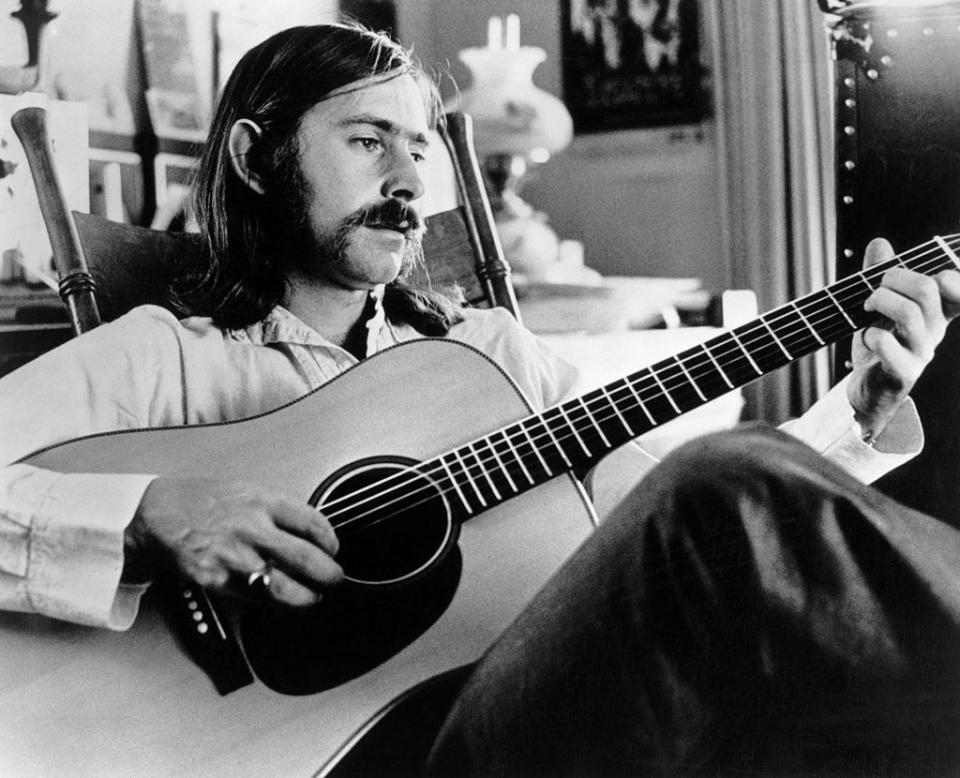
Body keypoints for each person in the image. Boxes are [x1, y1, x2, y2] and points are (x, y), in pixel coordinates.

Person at [1, 21, 960, 775]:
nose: (411, 180)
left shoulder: (486, 357)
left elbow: (697, 524)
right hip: (272, 756)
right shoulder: (163, 361)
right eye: (369, 141)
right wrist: (145, 511)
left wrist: (864, 407)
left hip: (496, 731)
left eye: (420, 148)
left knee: (727, 483)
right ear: (256, 160)